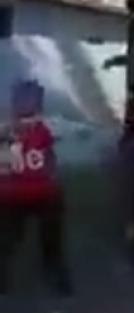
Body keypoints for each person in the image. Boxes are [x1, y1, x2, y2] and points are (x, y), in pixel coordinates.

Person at [0, 81, 72, 295]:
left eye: (33, 101)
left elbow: (51, 160)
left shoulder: (45, 130)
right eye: (25, 100)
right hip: (12, 196)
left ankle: (54, 272)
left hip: (44, 193)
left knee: (51, 237)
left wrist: (52, 173)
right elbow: (4, 167)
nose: (29, 106)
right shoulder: (6, 131)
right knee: (7, 239)